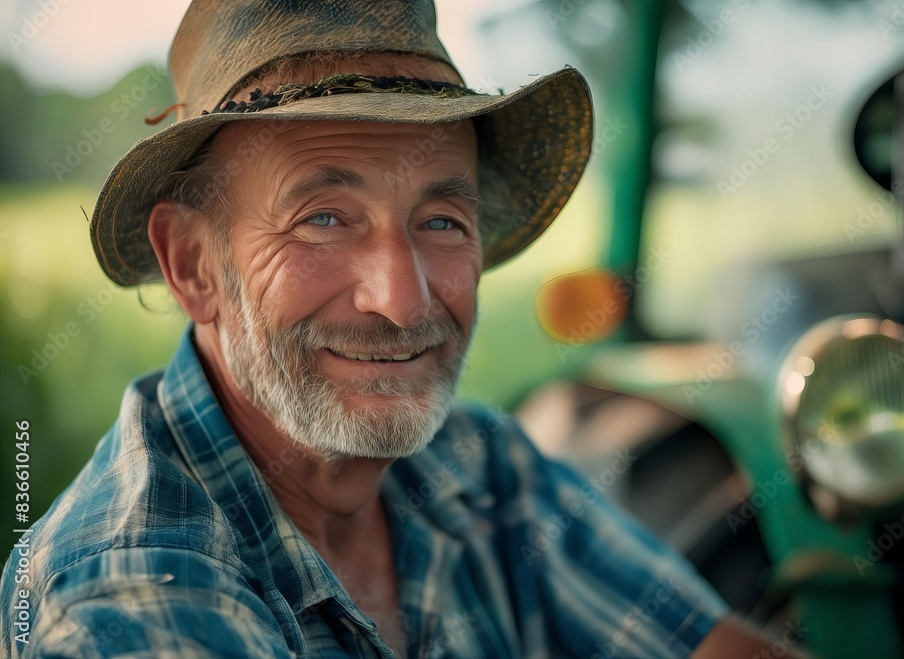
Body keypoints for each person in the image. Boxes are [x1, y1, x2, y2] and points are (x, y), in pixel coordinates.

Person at [1, 1, 804, 657]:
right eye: (322, 218)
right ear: (193, 265)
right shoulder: (131, 596)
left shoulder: (478, 469)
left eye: (442, 219)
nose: (403, 300)